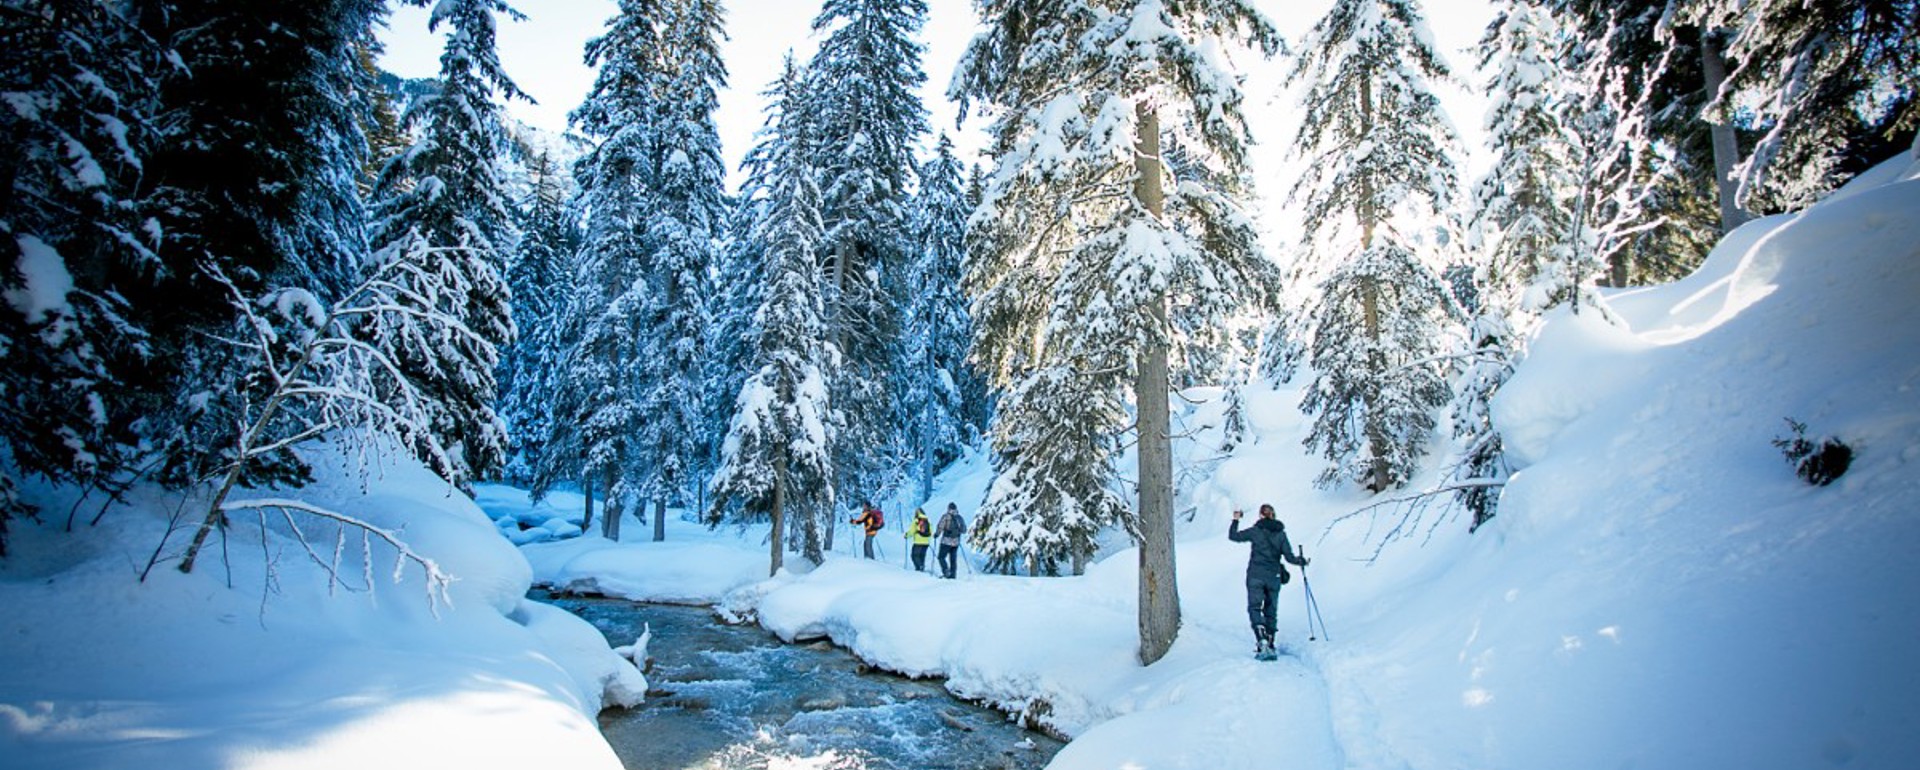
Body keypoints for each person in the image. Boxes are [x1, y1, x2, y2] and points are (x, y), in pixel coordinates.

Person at [1229, 503, 1308, 660]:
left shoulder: (1255, 531)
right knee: (1271, 610)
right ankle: (1271, 642)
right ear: (1274, 515)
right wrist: (1302, 561)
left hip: (1255, 575)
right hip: (1274, 577)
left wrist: (1236, 520)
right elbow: (1289, 557)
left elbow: (1234, 536)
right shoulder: (1281, 534)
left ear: (1261, 515)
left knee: (1255, 607)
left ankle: (1261, 640)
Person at [935, 502, 965, 579]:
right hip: (956, 542)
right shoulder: (959, 518)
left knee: (941, 557)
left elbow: (940, 526)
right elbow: (964, 530)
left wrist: (937, 534)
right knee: (953, 559)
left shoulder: (946, 516)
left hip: (946, 541)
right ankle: (953, 575)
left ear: (948, 508)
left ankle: (946, 571)